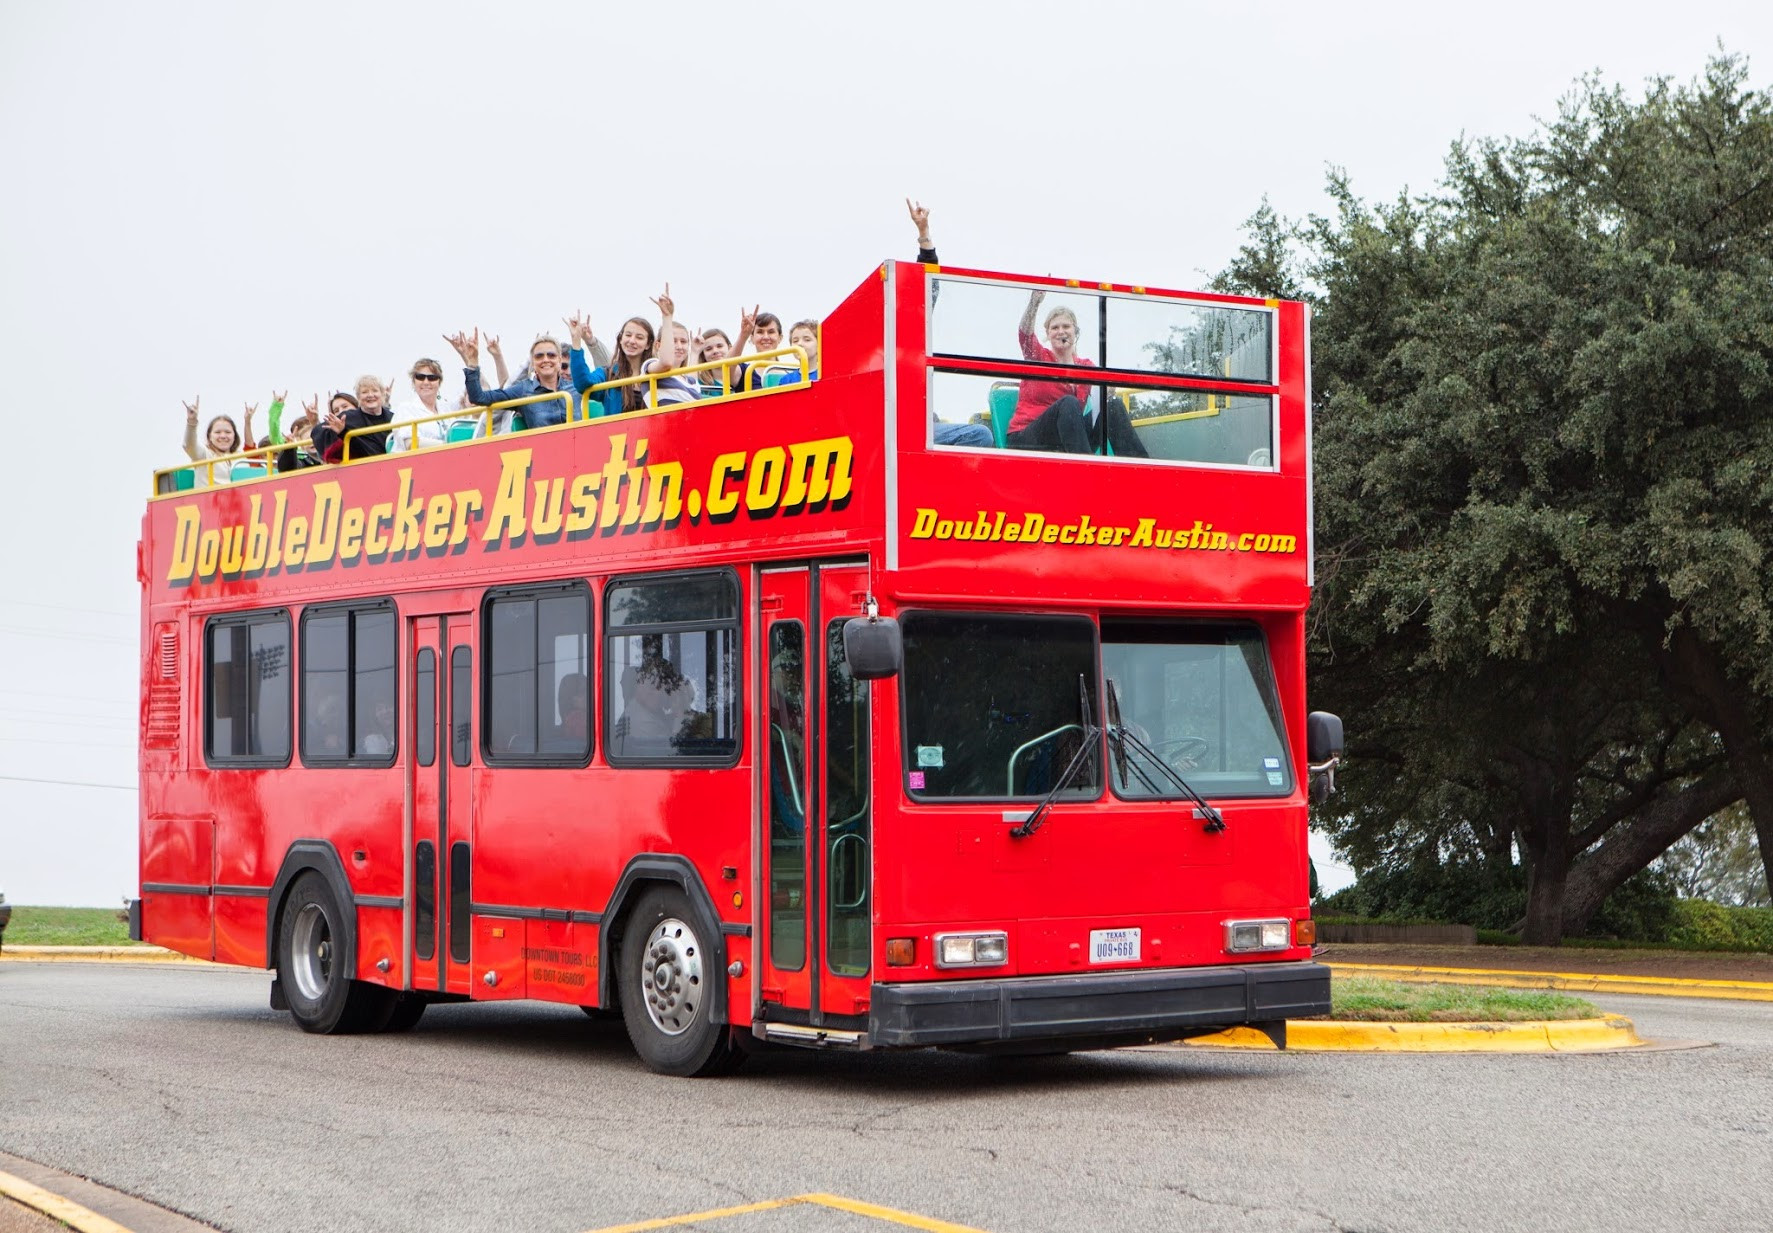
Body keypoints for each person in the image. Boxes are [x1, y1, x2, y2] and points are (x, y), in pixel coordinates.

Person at [1008, 289, 1148, 457]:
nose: (1061, 331)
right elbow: (1025, 335)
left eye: (1066, 326)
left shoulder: (1085, 366)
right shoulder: (1038, 356)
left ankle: (1140, 471)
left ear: (1075, 332)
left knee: (1113, 405)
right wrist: (1034, 303)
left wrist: (1108, 389)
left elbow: (1101, 392)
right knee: (1069, 403)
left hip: (1070, 438)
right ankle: (1088, 472)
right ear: (1048, 334)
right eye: (1055, 328)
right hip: (1029, 438)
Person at [909, 201, 994, 447]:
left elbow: (929, 287)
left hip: (922, 423)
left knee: (978, 434)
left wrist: (924, 236)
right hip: (892, 428)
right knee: (978, 434)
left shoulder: (912, 333)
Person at [448, 330, 578, 432]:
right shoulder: (523, 390)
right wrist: (472, 363)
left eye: (551, 355)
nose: (545, 360)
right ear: (532, 362)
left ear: (560, 360)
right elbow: (479, 397)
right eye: (539, 356)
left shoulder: (576, 388)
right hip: (545, 457)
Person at [570, 315, 653, 416]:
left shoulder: (656, 374)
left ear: (648, 344)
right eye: (628, 335)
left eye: (639, 337)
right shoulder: (608, 374)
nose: (632, 341)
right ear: (621, 339)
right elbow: (582, 384)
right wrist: (576, 341)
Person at [637, 285, 703, 408]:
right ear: (658, 345)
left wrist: (695, 352)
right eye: (673, 341)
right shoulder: (651, 365)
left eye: (683, 341)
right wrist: (667, 317)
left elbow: (692, 378)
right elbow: (666, 362)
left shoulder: (687, 379)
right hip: (668, 424)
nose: (679, 346)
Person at [388, 359, 458, 452]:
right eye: (420, 377)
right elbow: (411, 443)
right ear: (414, 381)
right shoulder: (405, 408)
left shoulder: (446, 408)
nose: (426, 382)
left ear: (439, 382)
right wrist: (447, 445)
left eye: (432, 378)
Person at [309, 389, 392, 464]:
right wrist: (315, 423)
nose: (342, 411)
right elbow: (323, 458)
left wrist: (384, 404)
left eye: (345, 406)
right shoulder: (335, 436)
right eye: (336, 411)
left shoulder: (378, 422)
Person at [180, 397, 243, 484]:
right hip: (211, 497)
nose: (223, 436)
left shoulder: (241, 457)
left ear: (234, 435)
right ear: (210, 436)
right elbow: (189, 445)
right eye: (217, 432)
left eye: (228, 432)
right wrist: (192, 421)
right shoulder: (204, 455)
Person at [776, 319, 821, 385]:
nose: (800, 343)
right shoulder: (786, 380)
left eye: (807, 340)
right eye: (795, 341)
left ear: (819, 345)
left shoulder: (826, 375)